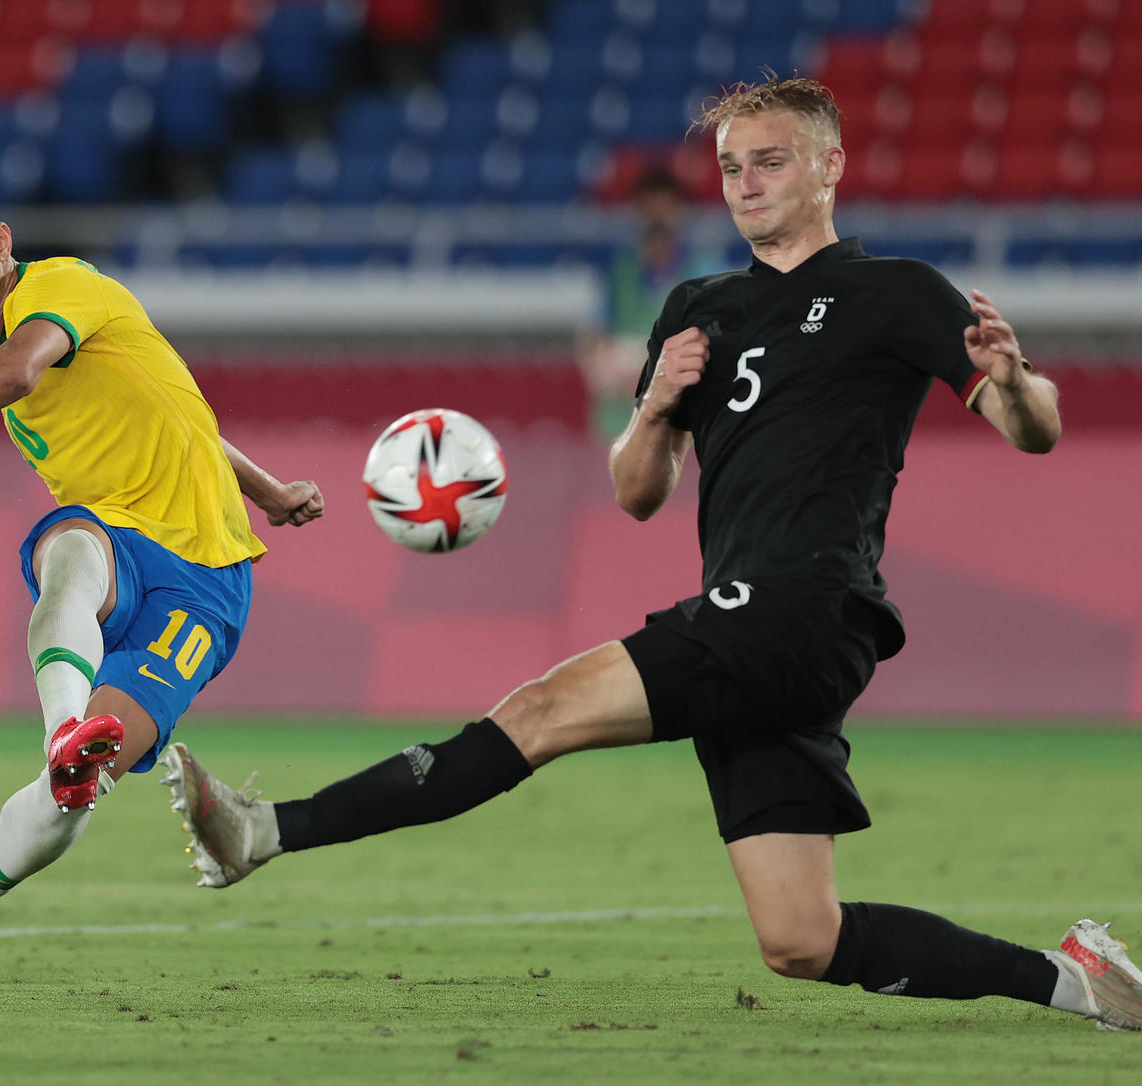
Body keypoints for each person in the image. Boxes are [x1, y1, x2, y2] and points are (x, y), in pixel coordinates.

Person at [161, 77, 1142, 1030]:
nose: (745, 181)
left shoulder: (894, 293)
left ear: (827, 165)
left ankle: (264, 832)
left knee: (535, 714)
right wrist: (656, 403)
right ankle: (1073, 980)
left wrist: (1011, 382)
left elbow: (1033, 428)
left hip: (797, 605)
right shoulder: (696, 308)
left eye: (769, 161)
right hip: (768, 632)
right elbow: (637, 492)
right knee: (800, 939)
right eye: (729, 166)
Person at [0, 176, 324, 990]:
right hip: (119, 541)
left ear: (2, 244)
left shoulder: (60, 289)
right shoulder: (23, 383)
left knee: (72, 798)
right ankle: (63, 733)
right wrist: (272, 488)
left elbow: (18, 372)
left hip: (208, 586)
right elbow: (178, 416)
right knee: (71, 552)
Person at [578, 166, 720, 439]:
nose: (656, 219)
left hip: (680, 429)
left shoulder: (706, 273)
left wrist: (652, 371)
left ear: (680, 213)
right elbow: (593, 335)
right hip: (619, 422)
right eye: (648, 210)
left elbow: (715, 346)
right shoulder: (621, 271)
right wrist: (600, 365)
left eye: (664, 210)